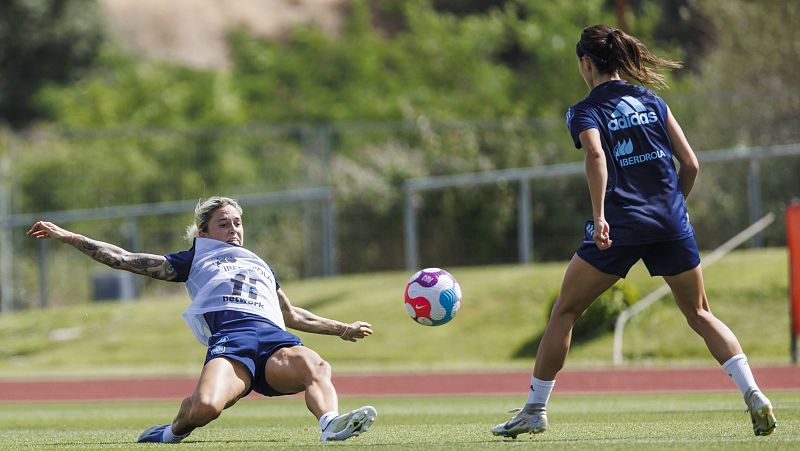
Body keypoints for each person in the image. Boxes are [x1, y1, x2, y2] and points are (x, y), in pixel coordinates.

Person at [491, 24, 777, 439]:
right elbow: (691, 164)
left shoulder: (585, 110)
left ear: (586, 63)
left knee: (565, 311)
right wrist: (674, 209)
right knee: (700, 313)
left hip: (620, 225)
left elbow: (595, 155)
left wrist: (600, 217)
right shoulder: (652, 100)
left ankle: (534, 409)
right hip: (670, 223)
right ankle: (753, 393)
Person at [27, 196, 377, 443]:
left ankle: (330, 424)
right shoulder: (194, 258)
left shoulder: (259, 264)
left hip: (274, 342)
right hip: (232, 343)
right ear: (204, 233)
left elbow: (291, 314)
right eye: (224, 224)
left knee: (316, 366)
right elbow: (124, 258)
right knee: (206, 407)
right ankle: (171, 433)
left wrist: (341, 328)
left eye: (237, 223)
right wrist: (70, 237)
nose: (234, 229)